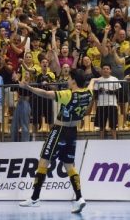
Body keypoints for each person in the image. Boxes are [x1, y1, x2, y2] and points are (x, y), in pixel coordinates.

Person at [19, 69, 98, 213]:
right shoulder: (88, 93)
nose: (67, 81)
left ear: (74, 80)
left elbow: (46, 94)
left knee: (43, 161)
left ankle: (35, 198)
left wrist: (28, 88)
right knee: (69, 165)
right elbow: (92, 84)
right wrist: (94, 80)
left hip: (59, 131)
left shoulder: (68, 95)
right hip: (72, 133)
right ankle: (79, 198)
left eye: (69, 78)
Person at [94, 63, 121, 139]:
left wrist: (110, 91)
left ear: (110, 70)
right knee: (101, 125)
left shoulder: (114, 79)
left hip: (112, 104)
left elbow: (119, 92)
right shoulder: (98, 80)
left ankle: (115, 140)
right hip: (101, 104)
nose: (105, 70)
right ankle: (101, 140)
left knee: (113, 125)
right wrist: (99, 91)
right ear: (102, 70)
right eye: (104, 69)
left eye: (107, 69)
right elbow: (95, 93)